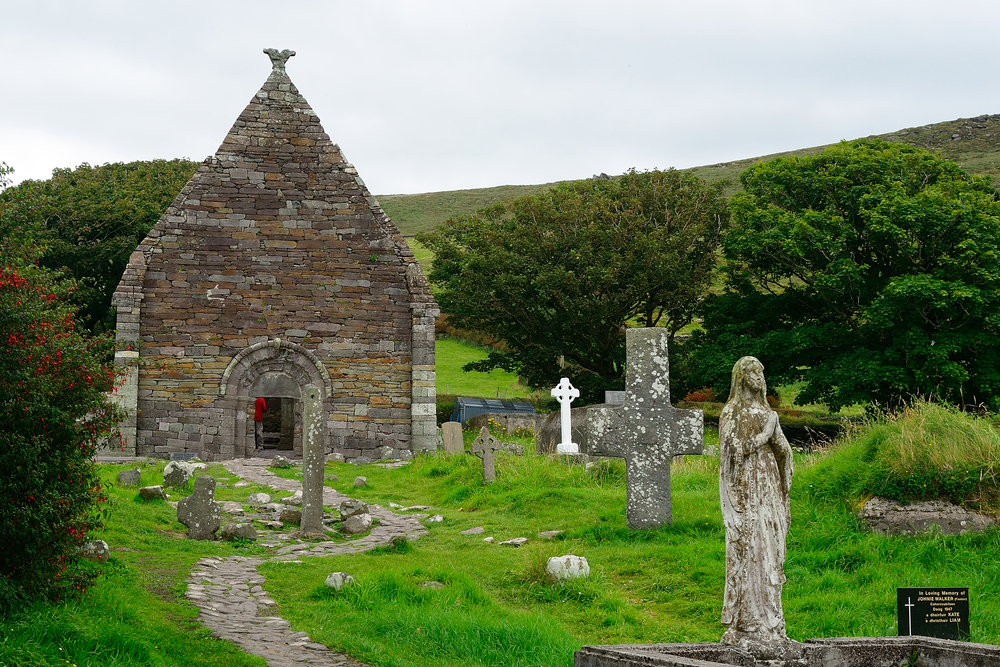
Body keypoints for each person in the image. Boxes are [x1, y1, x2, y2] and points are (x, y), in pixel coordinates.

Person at [719, 356, 793, 657]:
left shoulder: (766, 411)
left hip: (770, 488)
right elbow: (731, 451)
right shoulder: (732, 411)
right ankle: (749, 623)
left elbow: (784, 452)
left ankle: (773, 623)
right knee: (752, 549)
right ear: (741, 377)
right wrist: (763, 436)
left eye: (762, 371)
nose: (760, 376)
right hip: (747, 490)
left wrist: (779, 442)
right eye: (753, 371)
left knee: (772, 551)